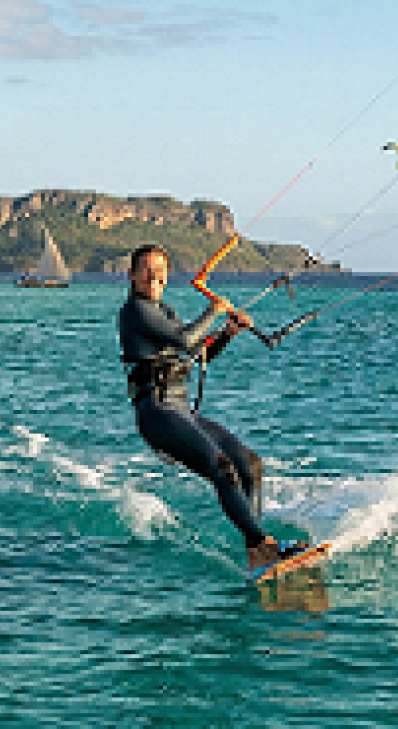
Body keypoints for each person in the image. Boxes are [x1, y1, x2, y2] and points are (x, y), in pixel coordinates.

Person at [118, 243, 304, 570]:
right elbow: (186, 340)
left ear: (167, 276)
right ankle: (264, 545)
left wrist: (227, 333)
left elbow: (196, 353)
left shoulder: (165, 312)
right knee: (222, 466)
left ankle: (257, 548)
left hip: (180, 409)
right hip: (156, 412)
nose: (153, 275)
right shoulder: (135, 310)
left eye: (159, 269)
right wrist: (214, 310)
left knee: (250, 465)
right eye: (146, 269)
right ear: (132, 276)